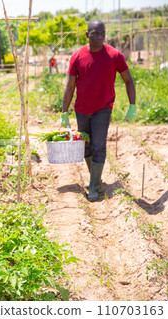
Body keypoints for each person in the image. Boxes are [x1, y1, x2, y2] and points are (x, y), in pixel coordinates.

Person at [61, 19, 137, 202]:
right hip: (81, 109)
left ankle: (94, 187)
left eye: (102, 33)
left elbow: (128, 80)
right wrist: (64, 111)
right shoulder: (77, 56)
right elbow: (70, 86)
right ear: (87, 35)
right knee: (86, 145)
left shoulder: (115, 55)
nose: (100, 36)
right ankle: (95, 177)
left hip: (103, 109)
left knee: (98, 146)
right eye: (95, 33)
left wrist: (132, 105)